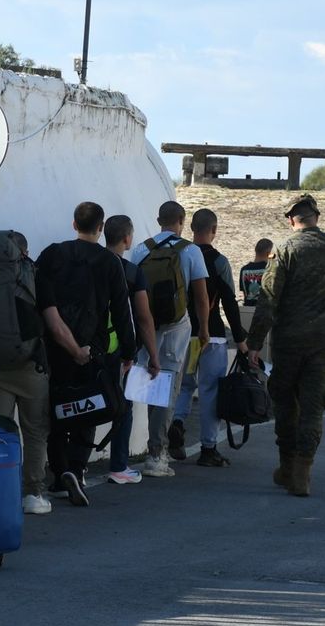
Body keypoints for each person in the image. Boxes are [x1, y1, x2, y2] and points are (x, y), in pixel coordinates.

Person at [245, 194, 325, 498]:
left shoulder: (285, 250)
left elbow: (268, 300)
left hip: (290, 341)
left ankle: (287, 465)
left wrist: (254, 343)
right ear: (316, 218)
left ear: (292, 219)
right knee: (312, 407)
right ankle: (302, 474)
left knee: (285, 403)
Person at [38, 201, 135, 506]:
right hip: (94, 348)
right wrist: (129, 351)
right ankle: (77, 470)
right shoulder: (110, 262)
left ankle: (58, 473)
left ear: (73, 224)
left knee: (57, 406)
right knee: (88, 408)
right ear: (101, 227)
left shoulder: (52, 254)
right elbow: (122, 311)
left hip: (55, 345)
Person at [126, 201, 210, 477]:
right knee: (166, 391)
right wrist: (205, 329)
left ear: (158, 219)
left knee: (142, 388)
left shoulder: (140, 250)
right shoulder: (191, 251)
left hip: (145, 327)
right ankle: (156, 455)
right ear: (182, 221)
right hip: (177, 329)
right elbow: (200, 297)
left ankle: (124, 453)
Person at [0, 229, 54, 515]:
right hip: (29, 365)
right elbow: (49, 320)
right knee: (35, 431)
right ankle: (34, 494)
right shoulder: (33, 273)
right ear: (23, 251)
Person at [172, 208, 249, 468]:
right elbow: (229, 302)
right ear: (214, 230)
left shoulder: (181, 256)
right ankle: (208, 448)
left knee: (184, 386)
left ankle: (177, 424)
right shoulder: (218, 261)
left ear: (191, 228)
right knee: (210, 391)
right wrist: (240, 339)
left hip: (182, 335)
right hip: (212, 336)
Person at [103, 214, 162, 485]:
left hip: (80, 346)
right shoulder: (131, 272)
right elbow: (144, 318)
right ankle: (119, 465)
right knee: (123, 408)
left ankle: (73, 467)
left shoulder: (85, 263)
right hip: (118, 351)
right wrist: (153, 354)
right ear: (127, 239)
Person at [240, 239, 274, 306]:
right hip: (266, 310)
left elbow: (245, 294)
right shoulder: (270, 269)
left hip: (249, 310)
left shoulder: (244, 270)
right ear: (268, 254)